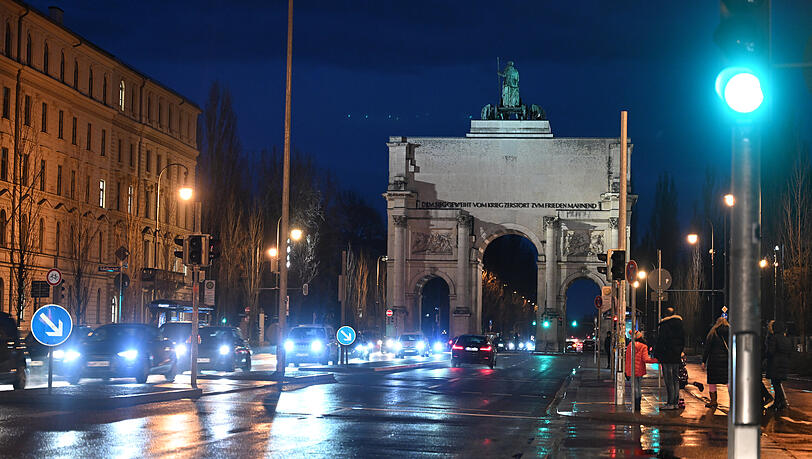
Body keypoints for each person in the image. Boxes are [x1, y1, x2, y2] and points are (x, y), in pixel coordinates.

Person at [654, 307, 685, 410]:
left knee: (669, 380)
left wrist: (657, 353)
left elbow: (661, 340)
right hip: (676, 356)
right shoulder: (680, 325)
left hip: (666, 356)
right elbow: (683, 340)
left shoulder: (665, 325)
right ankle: (675, 403)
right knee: (675, 379)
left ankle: (670, 403)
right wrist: (679, 351)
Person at [625, 331, 658, 412]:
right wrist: (656, 360)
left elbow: (627, 360)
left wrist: (626, 371)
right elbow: (646, 359)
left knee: (635, 387)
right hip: (640, 370)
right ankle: (638, 405)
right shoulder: (643, 346)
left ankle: (635, 405)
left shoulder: (630, 346)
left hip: (632, 370)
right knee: (638, 387)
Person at [702, 316, 729, 409]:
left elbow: (707, 348)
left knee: (712, 381)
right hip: (727, 360)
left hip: (714, 361)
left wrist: (703, 361)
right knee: (728, 381)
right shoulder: (731, 332)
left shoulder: (713, 332)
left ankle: (713, 401)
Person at [765, 320, 793, 410]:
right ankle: (778, 403)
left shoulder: (774, 338)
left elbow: (770, 352)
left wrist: (765, 356)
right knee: (777, 383)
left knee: (776, 384)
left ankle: (781, 403)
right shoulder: (786, 339)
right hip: (784, 363)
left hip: (775, 364)